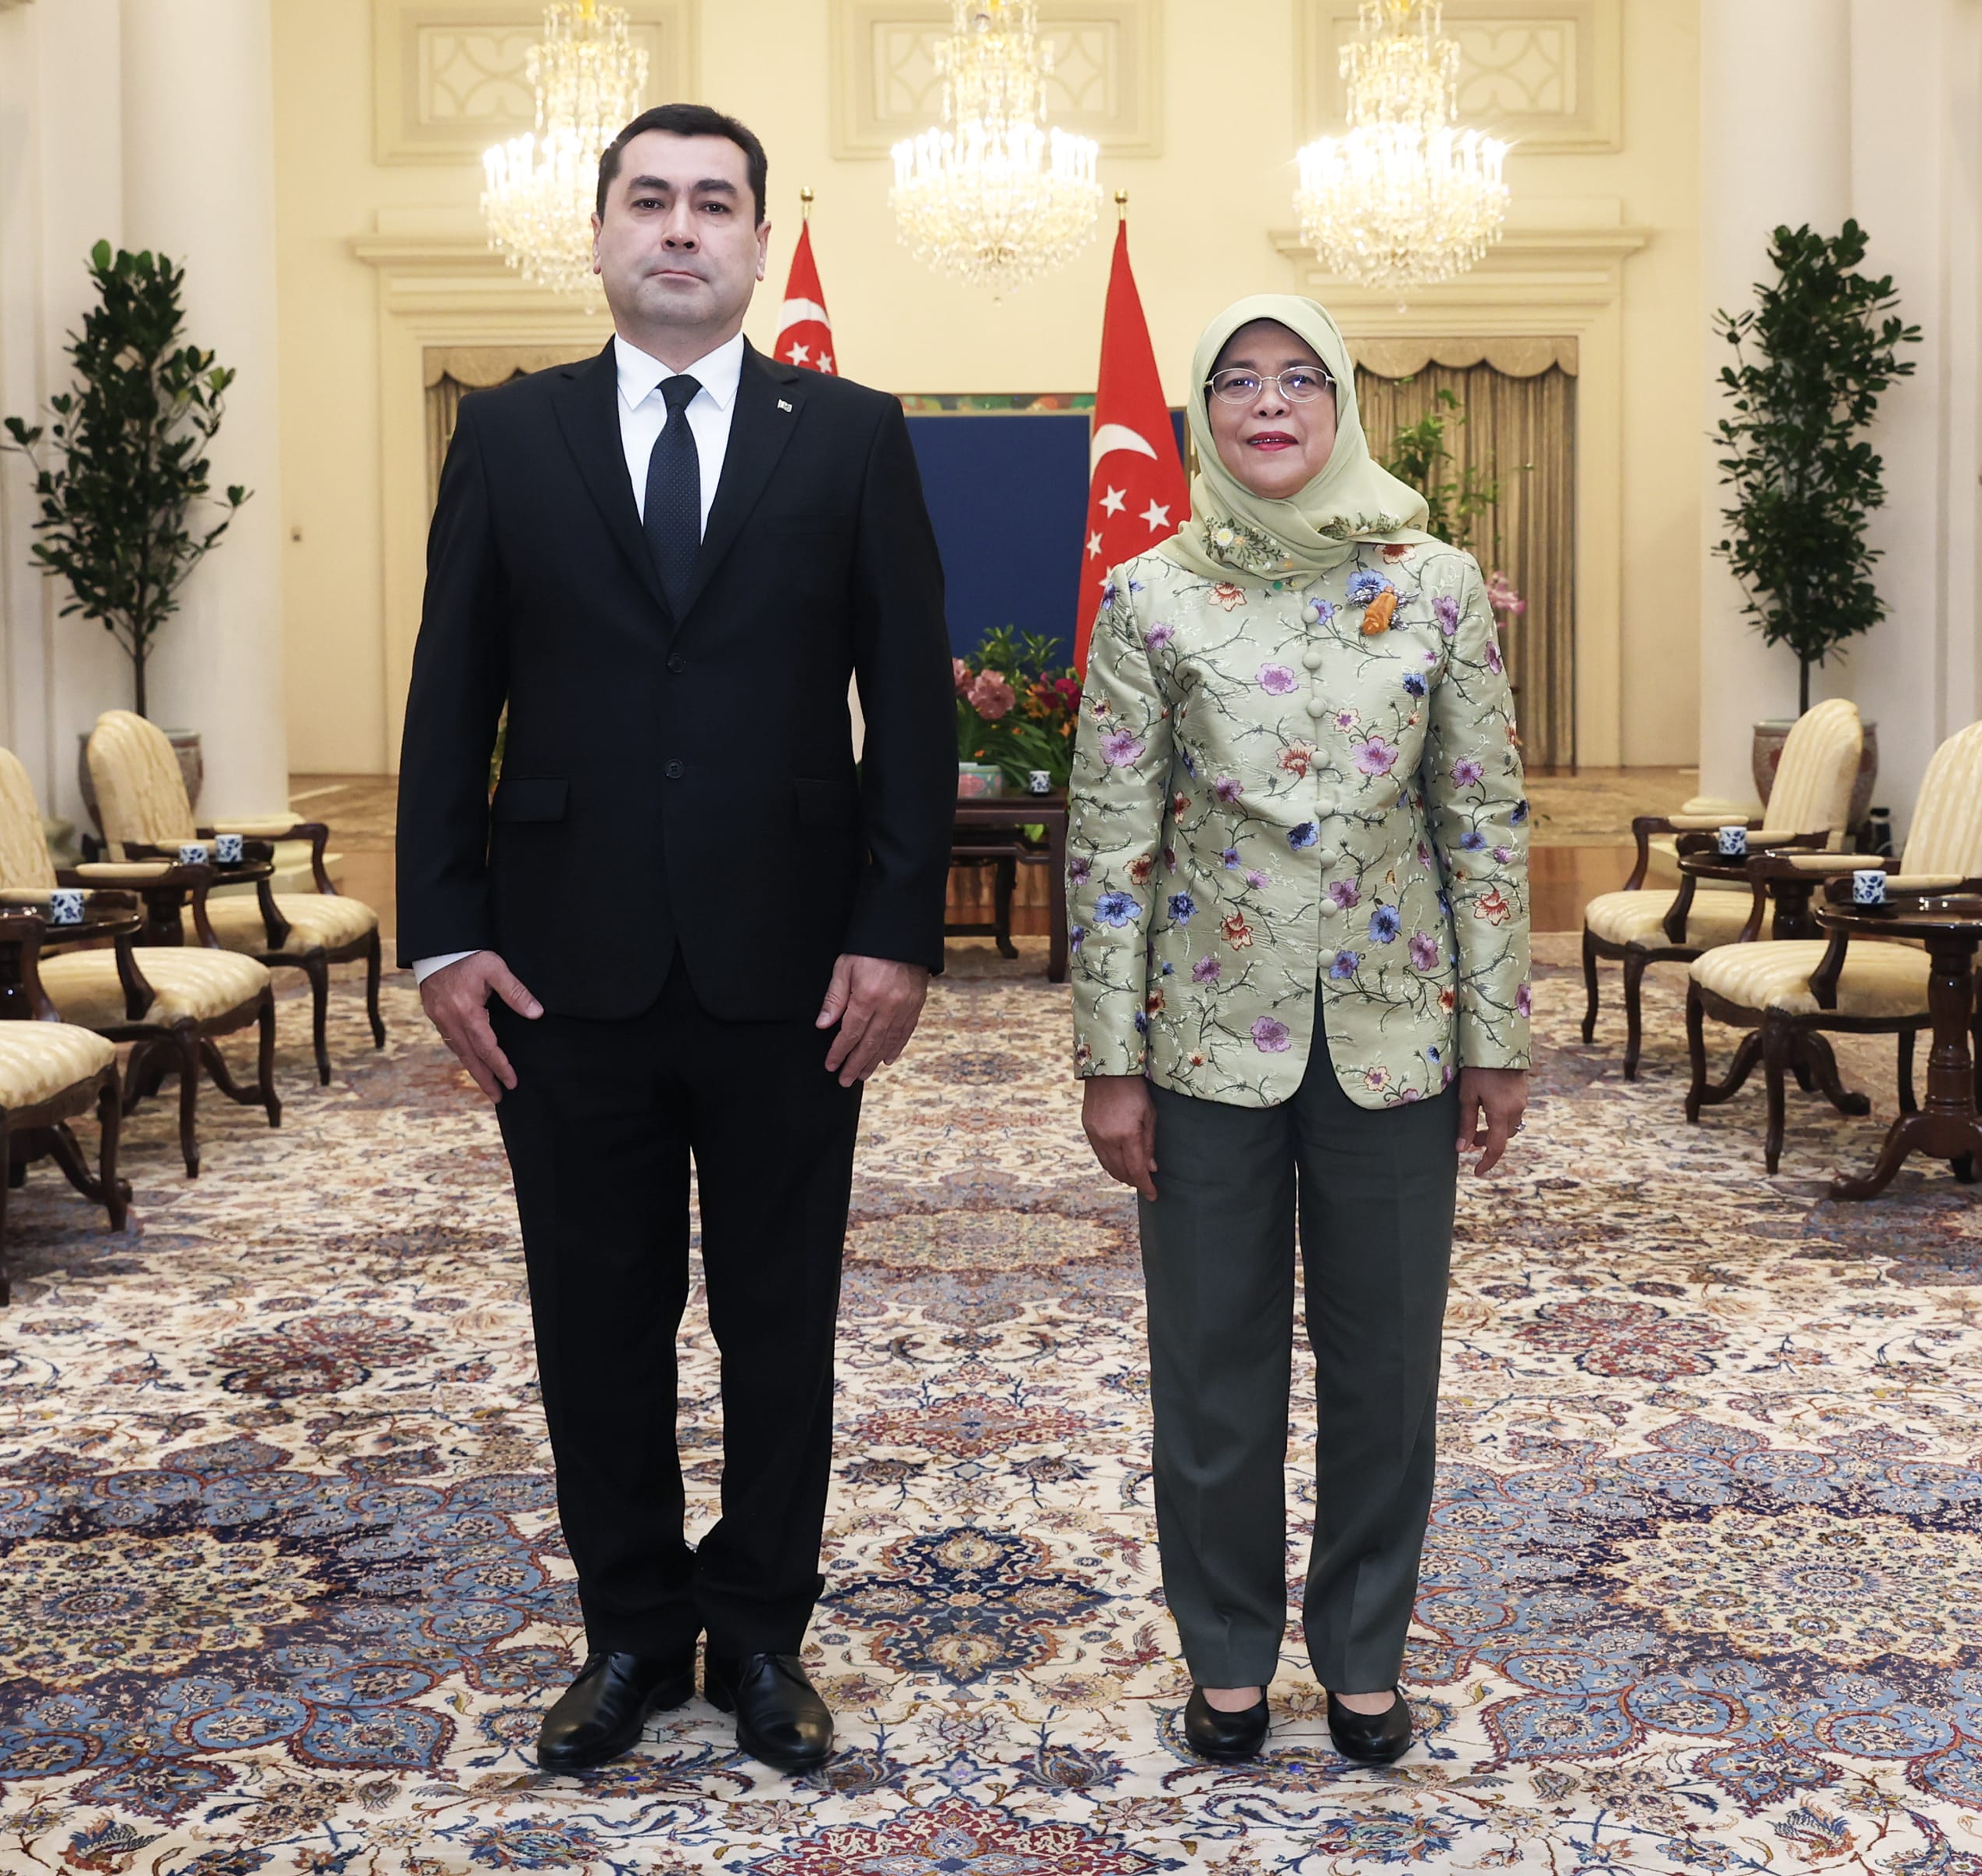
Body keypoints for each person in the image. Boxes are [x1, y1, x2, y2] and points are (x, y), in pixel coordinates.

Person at [396, 102, 954, 1775]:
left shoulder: (852, 434)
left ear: (759, 243)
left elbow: (908, 708)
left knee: (782, 1321)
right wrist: (441, 935)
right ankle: (633, 1635)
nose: (683, 229)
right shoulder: (510, 434)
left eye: (716, 204)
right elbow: (450, 698)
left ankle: (766, 1638)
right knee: (597, 1317)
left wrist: (897, 929)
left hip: (797, 977)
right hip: (566, 976)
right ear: (599, 237)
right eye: (651, 200)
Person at [1066, 295, 1530, 1766]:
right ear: (1207, 413)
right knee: (1212, 1362)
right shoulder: (1150, 598)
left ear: (1340, 404)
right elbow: (1110, 838)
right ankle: (1225, 1655)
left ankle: (1366, 1650)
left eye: (1300, 380)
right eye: (1239, 382)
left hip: (1396, 1033)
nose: (1270, 406)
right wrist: (1109, 1060)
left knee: (1387, 1368)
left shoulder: (1439, 585)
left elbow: (1482, 821)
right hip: (1205, 1036)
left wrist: (1498, 1036)